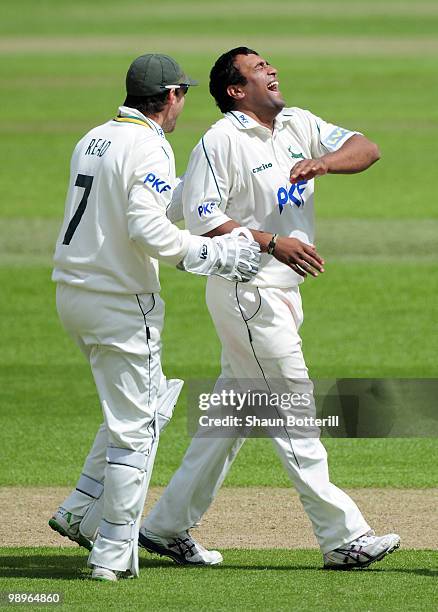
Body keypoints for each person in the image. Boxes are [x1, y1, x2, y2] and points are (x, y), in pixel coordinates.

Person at [138, 47, 400, 570]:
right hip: (247, 290)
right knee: (292, 407)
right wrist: (270, 242)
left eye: (269, 65)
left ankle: (165, 526)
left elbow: (367, 148)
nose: (272, 71)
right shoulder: (221, 141)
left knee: (234, 411)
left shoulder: (297, 123)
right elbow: (202, 218)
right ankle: (342, 536)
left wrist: (324, 162)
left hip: (282, 293)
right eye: (259, 69)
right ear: (237, 90)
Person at [48, 52, 260, 582]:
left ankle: (79, 509)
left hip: (73, 294)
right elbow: (147, 229)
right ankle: (112, 554)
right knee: (138, 429)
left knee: (144, 403)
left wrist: (196, 185)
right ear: (171, 96)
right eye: (182, 94)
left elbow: (132, 207)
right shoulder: (150, 146)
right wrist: (217, 255)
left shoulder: (95, 137)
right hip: (121, 301)